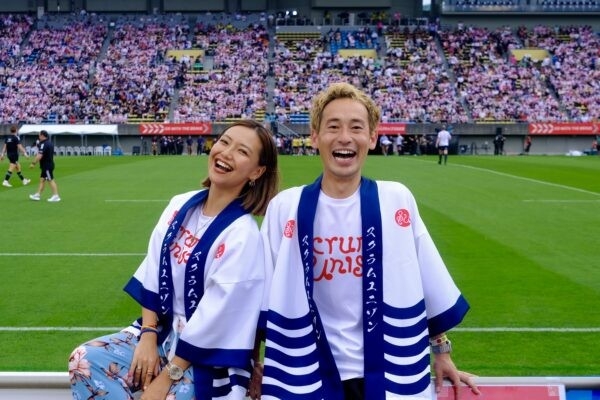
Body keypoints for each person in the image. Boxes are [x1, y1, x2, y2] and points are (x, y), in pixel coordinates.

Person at [257, 83, 479, 400]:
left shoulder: (396, 199)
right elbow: (261, 294)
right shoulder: (285, 207)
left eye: (356, 127)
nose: (345, 137)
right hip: (306, 370)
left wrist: (442, 352)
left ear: (372, 138)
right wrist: (252, 362)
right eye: (333, 127)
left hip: (389, 370)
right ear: (315, 137)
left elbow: (426, 280)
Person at [68, 120, 279, 400]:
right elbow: (153, 270)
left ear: (257, 171)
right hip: (161, 332)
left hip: (206, 353)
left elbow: (217, 319)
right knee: (84, 359)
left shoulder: (243, 235)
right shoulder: (180, 205)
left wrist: (168, 376)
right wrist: (147, 335)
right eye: (224, 142)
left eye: (242, 151)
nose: (226, 153)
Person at [29, 130, 60, 202]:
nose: (38, 137)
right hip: (47, 165)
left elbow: (40, 155)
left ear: (42, 135)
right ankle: (38, 195)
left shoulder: (44, 144)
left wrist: (33, 163)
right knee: (42, 180)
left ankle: (56, 195)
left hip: (47, 166)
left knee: (50, 180)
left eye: (39, 135)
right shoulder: (49, 143)